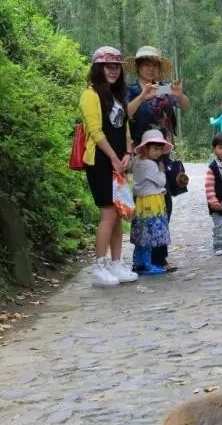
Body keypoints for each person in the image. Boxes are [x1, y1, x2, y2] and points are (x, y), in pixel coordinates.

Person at [125, 46, 190, 272]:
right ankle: (142, 258)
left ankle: (159, 256)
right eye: (146, 64)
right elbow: (126, 113)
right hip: (142, 153)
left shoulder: (164, 90)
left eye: (155, 65)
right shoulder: (132, 90)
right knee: (144, 203)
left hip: (163, 151)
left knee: (165, 203)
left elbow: (184, 106)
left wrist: (178, 94)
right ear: (139, 67)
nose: (151, 69)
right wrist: (143, 96)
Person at [79, 46, 138, 287]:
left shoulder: (117, 97)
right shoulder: (90, 95)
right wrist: (114, 157)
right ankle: (99, 266)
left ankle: (116, 262)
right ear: (97, 68)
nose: (113, 71)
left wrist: (127, 153)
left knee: (118, 214)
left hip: (118, 160)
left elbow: (123, 128)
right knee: (108, 213)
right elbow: (95, 130)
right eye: (108, 66)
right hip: (101, 161)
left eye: (116, 67)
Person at [130, 130, 173, 275]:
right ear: (146, 148)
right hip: (152, 201)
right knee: (151, 232)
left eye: (160, 149)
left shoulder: (137, 160)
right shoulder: (150, 164)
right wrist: (161, 171)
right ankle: (148, 264)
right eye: (154, 148)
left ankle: (139, 263)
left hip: (141, 201)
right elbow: (161, 181)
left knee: (142, 232)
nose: (158, 152)